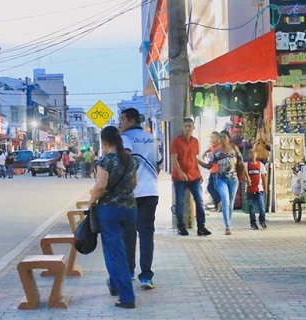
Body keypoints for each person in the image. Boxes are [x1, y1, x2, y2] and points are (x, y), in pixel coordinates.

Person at [87, 126, 139, 309]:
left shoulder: (105, 161)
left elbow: (100, 186)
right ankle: (116, 284)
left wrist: (91, 200)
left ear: (105, 142)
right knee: (124, 249)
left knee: (114, 252)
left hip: (110, 211)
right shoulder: (130, 160)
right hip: (130, 209)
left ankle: (127, 297)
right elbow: (134, 183)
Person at [119, 107, 160, 289]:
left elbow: (126, 161)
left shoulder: (125, 138)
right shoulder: (150, 138)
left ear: (131, 121)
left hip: (131, 193)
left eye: (122, 119)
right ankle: (146, 276)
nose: (120, 123)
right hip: (151, 191)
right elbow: (158, 164)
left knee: (128, 235)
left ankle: (128, 272)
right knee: (146, 235)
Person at [170, 118, 212, 237]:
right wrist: (181, 172)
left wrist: (201, 170)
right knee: (180, 203)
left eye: (190, 126)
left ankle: (201, 227)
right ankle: (181, 227)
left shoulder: (195, 141)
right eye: (185, 126)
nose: (187, 128)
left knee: (199, 201)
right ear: (183, 128)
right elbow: (174, 159)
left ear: (193, 128)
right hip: (179, 178)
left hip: (194, 177)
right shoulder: (176, 141)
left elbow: (194, 158)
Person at [209, 131, 242, 235]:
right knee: (225, 200)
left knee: (231, 202)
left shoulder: (234, 149)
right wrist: (197, 161)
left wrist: (245, 176)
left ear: (229, 138)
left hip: (233, 179)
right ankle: (227, 226)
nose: (222, 139)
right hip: (220, 179)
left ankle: (229, 222)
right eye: (221, 137)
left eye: (224, 137)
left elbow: (240, 163)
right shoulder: (216, 152)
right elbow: (209, 165)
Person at [245, 149, 267, 229]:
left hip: (259, 190)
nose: (252, 154)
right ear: (248, 155)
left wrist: (265, 188)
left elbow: (264, 177)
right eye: (250, 153)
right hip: (250, 190)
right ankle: (253, 223)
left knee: (262, 207)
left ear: (256, 154)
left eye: (254, 152)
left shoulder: (260, 165)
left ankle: (262, 220)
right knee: (252, 208)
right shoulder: (246, 165)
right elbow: (243, 176)